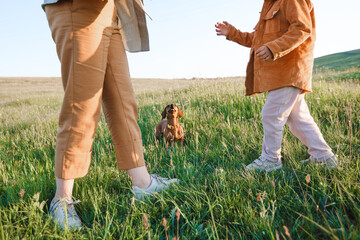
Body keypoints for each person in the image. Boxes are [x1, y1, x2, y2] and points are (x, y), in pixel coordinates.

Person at [42, 0, 177, 230]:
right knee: (82, 105)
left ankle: (142, 182)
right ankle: (61, 200)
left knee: (123, 101)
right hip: (77, 6)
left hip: (111, 11)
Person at [215, 0, 338, 172]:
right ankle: (324, 157)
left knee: (271, 114)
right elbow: (256, 39)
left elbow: (302, 28)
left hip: (289, 69)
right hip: (280, 73)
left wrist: (274, 48)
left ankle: (270, 159)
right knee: (298, 119)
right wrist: (232, 33)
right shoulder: (270, 5)